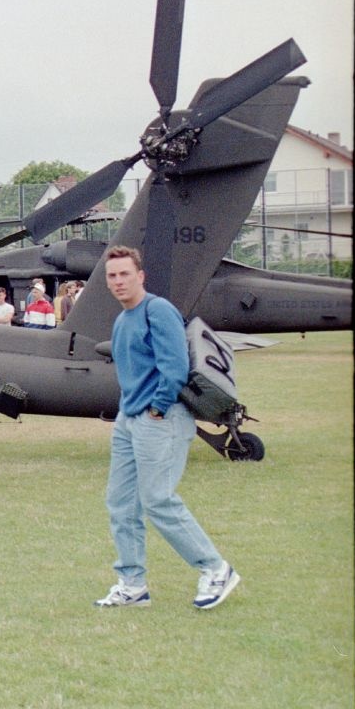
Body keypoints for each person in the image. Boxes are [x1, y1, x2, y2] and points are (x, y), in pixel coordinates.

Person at [95, 245, 240, 610]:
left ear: (140, 276)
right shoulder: (121, 319)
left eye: (124, 274)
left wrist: (157, 409)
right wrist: (130, 415)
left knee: (157, 499)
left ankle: (216, 569)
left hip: (162, 419)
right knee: (120, 503)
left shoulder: (157, 310)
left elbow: (174, 366)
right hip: (129, 421)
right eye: (112, 276)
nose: (118, 281)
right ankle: (132, 585)